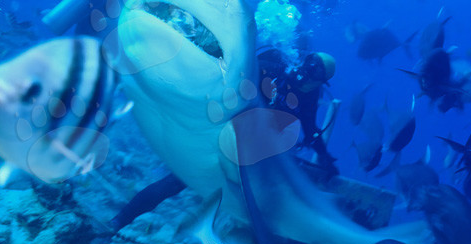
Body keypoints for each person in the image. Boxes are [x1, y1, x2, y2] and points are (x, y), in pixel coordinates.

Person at [109, 48, 339, 232]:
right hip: (221, 133)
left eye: (316, 73)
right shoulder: (270, 69)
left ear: (321, 82)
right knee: (176, 182)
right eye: (310, 66)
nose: (308, 74)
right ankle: (119, 221)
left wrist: (327, 159)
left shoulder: (309, 96)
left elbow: (310, 130)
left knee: (251, 200)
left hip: (250, 149)